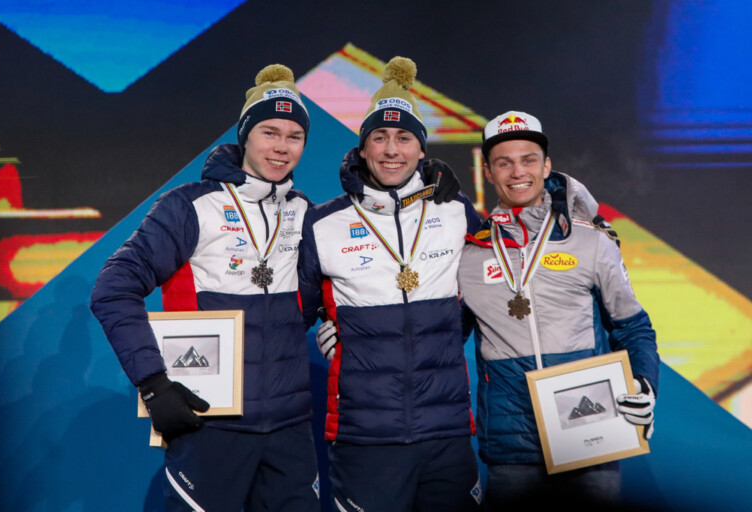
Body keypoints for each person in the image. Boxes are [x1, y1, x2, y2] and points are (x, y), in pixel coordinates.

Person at [90, 64, 320, 512]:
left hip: (289, 430)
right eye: (270, 132)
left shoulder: (304, 212)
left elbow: (321, 299)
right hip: (211, 424)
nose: (282, 146)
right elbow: (113, 288)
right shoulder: (190, 205)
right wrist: (154, 385)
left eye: (295, 136)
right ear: (245, 135)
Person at [298, 56, 483, 512]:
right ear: (363, 149)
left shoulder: (456, 210)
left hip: (446, 433)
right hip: (364, 437)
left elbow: (506, 273)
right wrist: (329, 323)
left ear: (422, 150)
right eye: (378, 137)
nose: (391, 150)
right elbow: (286, 312)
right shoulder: (323, 223)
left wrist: (577, 209)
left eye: (404, 138)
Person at [457, 110, 659, 509]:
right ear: (489, 172)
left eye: (528, 160)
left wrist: (644, 383)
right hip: (511, 448)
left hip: (590, 440)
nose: (518, 172)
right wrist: (342, 326)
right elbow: (438, 337)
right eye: (504, 163)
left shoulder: (592, 242)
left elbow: (633, 327)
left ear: (546, 166)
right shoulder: (468, 253)